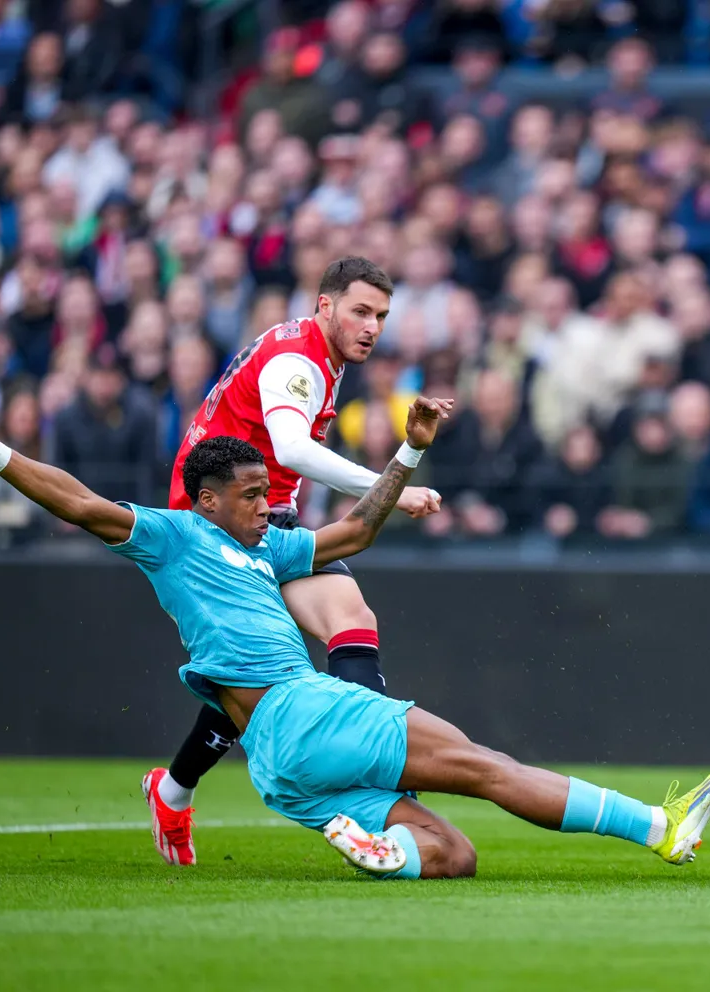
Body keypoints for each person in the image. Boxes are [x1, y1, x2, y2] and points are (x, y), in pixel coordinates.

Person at [0, 408, 710, 879]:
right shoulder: (174, 535)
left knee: (453, 854)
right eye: (251, 497)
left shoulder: (266, 550)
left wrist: (409, 450)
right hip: (300, 710)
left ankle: (383, 848)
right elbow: (80, 504)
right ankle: (660, 828)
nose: (265, 508)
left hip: (279, 771)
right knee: (487, 767)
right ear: (207, 499)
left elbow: (355, 528)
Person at [147, 256, 442, 867]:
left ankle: (174, 789)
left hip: (270, 521)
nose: (372, 327)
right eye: (360, 311)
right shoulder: (297, 361)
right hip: (215, 525)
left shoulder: (320, 358)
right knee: (260, 667)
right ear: (325, 306)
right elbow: (289, 446)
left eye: (382, 316)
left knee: (351, 618)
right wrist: (392, 482)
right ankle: (372, 777)